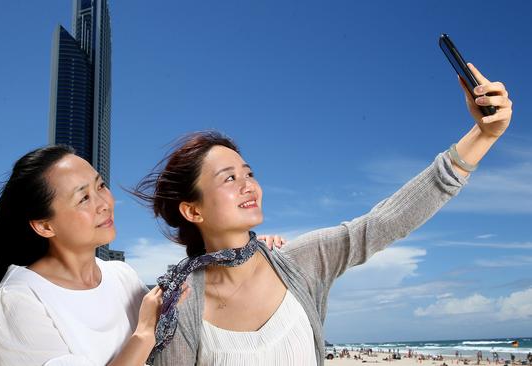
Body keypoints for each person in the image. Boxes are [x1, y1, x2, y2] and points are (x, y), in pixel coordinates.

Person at [131, 63, 513, 365]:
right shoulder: (178, 304)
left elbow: (385, 223)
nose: (249, 185)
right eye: (229, 178)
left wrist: (483, 136)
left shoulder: (302, 261)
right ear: (192, 209)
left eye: (249, 173)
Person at [0, 145, 283, 366]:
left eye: (100, 186)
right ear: (45, 225)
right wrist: (143, 333)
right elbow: (150, 334)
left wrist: (247, 255)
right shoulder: (19, 299)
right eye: (83, 198)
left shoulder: (121, 276)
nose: (104, 202)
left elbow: (185, 323)